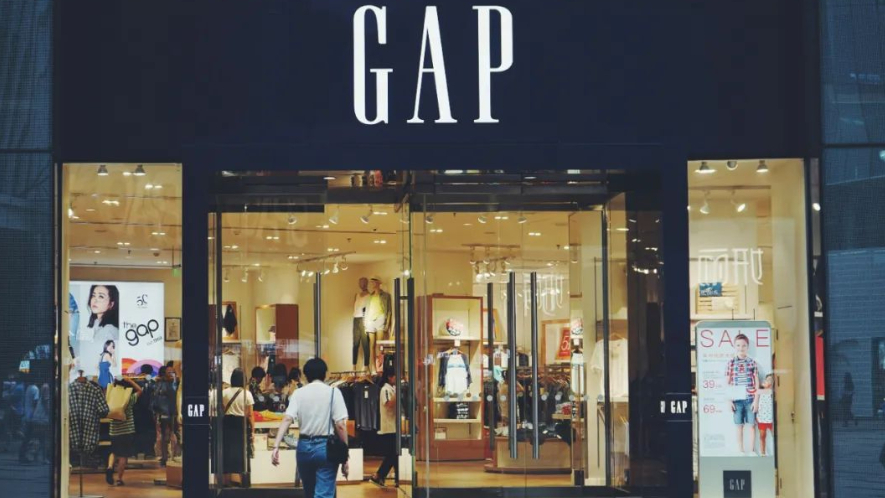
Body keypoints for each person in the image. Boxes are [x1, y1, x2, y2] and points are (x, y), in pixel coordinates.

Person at [272, 358, 349, 498]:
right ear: (324, 374)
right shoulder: (333, 392)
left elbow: (287, 418)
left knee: (310, 492)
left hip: (303, 447)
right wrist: (345, 452)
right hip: (326, 448)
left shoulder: (298, 393)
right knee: (323, 494)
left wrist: (276, 446)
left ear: (306, 375)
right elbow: (340, 425)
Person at [725, 333, 760, 455]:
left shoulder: (752, 363)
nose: (741, 348)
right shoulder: (731, 363)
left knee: (752, 425)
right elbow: (727, 383)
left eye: (744, 345)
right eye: (738, 345)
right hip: (736, 400)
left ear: (747, 347)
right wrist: (729, 401)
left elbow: (757, 383)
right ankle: (740, 450)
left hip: (750, 399)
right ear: (735, 346)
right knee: (739, 426)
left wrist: (756, 401)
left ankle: (752, 450)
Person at [106, 376, 142, 486]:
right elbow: (140, 390)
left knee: (114, 451)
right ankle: (119, 479)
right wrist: (130, 380)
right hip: (127, 431)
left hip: (113, 431)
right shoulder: (129, 398)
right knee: (123, 455)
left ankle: (109, 467)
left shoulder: (111, 397)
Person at [222, 368, 254, 486]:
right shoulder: (247, 393)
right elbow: (250, 415)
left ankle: (226, 482)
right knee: (242, 453)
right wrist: (253, 431)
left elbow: (221, 409)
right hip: (241, 424)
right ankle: (244, 482)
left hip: (227, 423)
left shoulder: (224, 392)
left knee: (227, 452)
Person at [79, 285, 120, 370]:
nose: (95, 300)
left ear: (111, 304)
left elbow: (114, 365)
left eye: (101, 296)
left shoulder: (108, 330)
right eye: (93, 295)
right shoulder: (99, 326)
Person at [369, 370, 398, 487]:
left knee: (395, 453)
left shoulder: (392, 389)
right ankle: (379, 475)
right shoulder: (385, 390)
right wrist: (397, 393)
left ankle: (395, 478)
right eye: (395, 376)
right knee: (392, 454)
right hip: (388, 426)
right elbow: (389, 404)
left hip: (394, 426)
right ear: (390, 377)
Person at [151, 366, 178, 466]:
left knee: (169, 434)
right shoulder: (162, 383)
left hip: (168, 411)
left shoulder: (169, 383)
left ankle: (169, 456)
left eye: (173, 372)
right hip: (165, 411)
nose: (171, 374)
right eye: (169, 372)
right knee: (165, 435)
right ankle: (166, 456)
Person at [753, 373, 775, 456]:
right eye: (766, 379)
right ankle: (763, 453)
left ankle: (777, 453)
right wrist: (755, 376)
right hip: (762, 419)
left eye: (769, 380)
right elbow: (756, 388)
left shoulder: (772, 393)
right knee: (762, 437)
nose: (765, 380)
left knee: (775, 436)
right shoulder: (760, 391)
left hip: (771, 419)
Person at [352, 277, 370, 371]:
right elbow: (354, 307)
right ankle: (353, 366)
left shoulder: (369, 295)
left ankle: (366, 365)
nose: (362, 285)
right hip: (356, 319)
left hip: (364, 319)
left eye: (364, 283)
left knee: (365, 343)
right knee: (355, 343)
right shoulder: (357, 295)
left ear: (367, 283)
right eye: (361, 283)